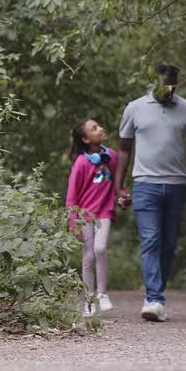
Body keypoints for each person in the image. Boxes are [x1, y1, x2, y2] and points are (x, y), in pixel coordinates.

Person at [113, 63, 186, 322]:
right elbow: (123, 149)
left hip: (176, 184)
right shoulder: (134, 108)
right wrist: (119, 185)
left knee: (169, 244)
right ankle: (154, 299)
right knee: (151, 240)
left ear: (176, 84)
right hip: (145, 183)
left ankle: (156, 294)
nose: (167, 90)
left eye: (171, 86)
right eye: (162, 85)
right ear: (153, 83)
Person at [65, 118, 117, 317]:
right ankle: (88, 300)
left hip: (104, 212)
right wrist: (73, 223)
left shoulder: (111, 156)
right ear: (86, 139)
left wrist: (122, 195)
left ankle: (102, 294)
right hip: (85, 215)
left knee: (100, 248)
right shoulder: (80, 163)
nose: (101, 128)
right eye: (94, 128)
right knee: (88, 256)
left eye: (99, 125)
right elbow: (71, 197)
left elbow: (118, 181)